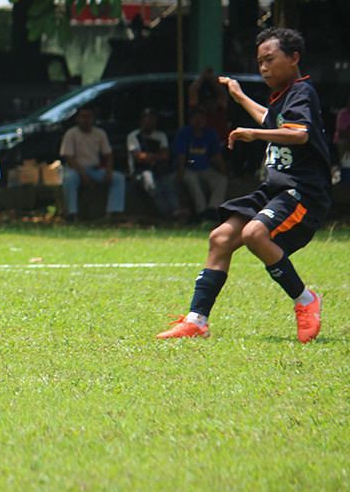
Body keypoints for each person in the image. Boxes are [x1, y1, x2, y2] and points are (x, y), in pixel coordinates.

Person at [157, 28, 330, 342]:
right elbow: (273, 121)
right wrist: (238, 97)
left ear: (293, 58)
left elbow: (299, 134)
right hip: (275, 189)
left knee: (254, 233)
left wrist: (253, 134)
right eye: (259, 61)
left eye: (269, 59)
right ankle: (197, 321)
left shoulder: (302, 91)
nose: (263, 67)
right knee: (221, 238)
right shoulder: (284, 95)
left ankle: (306, 300)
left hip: (302, 191)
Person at [60, 106, 126, 221]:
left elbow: (108, 155)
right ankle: (72, 214)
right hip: (76, 170)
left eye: (89, 116)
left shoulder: (100, 133)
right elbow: (68, 158)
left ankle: (112, 213)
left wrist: (109, 172)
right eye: (83, 117)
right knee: (69, 179)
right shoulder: (71, 134)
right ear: (77, 119)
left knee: (118, 178)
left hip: (95, 170)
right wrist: (83, 176)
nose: (86, 120)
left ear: (93, 118)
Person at [127, 108, 186, 220]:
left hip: (159, 170)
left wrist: (148, 156)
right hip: (139, 172)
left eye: (153, 119)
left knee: (169, 185)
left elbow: (165, 156)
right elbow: (138, 158)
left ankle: (178, 212)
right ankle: (169, 215)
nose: (151, 122)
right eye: (148, 119)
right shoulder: (134, 136)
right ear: (142, 120)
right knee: (151, 184)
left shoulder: (160, 135)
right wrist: (155, 157)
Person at [173, 105, 228, 221]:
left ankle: (212, 210)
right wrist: (179, 175)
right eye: (195, 117)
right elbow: (181, 157)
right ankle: (201, 213)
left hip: (205, 168)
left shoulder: (211, 133)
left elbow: (217, 156)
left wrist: (224, 173)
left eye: (201, 117)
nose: (198, 120)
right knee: (192, 180)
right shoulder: (184, 133)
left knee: (221, 180)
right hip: (188, 168)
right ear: (190, 119)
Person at [333, 94, 350, 167]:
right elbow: (342, 133)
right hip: (344, 140)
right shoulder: (343, 113)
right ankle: (344, 165)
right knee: (343, 143)